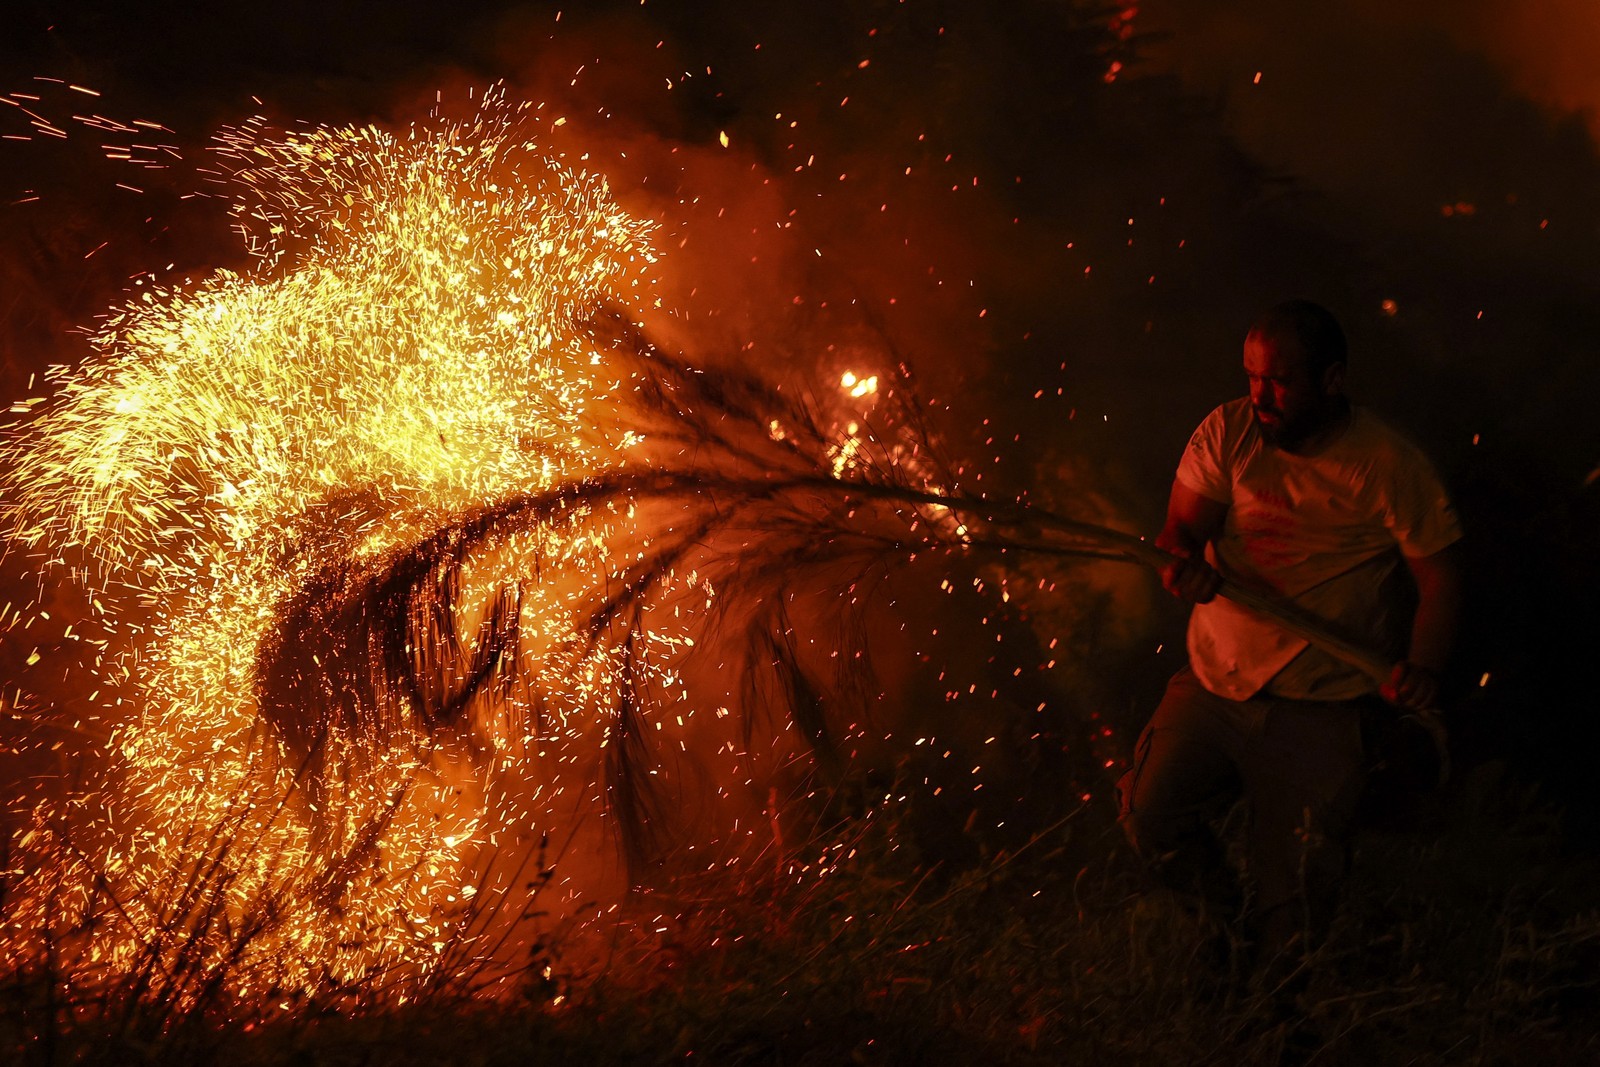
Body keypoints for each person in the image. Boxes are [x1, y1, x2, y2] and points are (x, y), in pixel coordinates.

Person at [1117, 299, 1463, 973]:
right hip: (1216, 683)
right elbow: (1181, 529)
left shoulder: (1388, 464)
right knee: (1150, 816)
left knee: (1298, 903)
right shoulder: (1228, 431)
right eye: (1251, 376)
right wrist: (1181, 559)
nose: (1259, 396)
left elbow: (1442, 580)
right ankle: (1221, 941)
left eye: (1278, 381)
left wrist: (1423, 668)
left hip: (1322, 706)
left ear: (1331, 379)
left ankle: (1280, 1022)